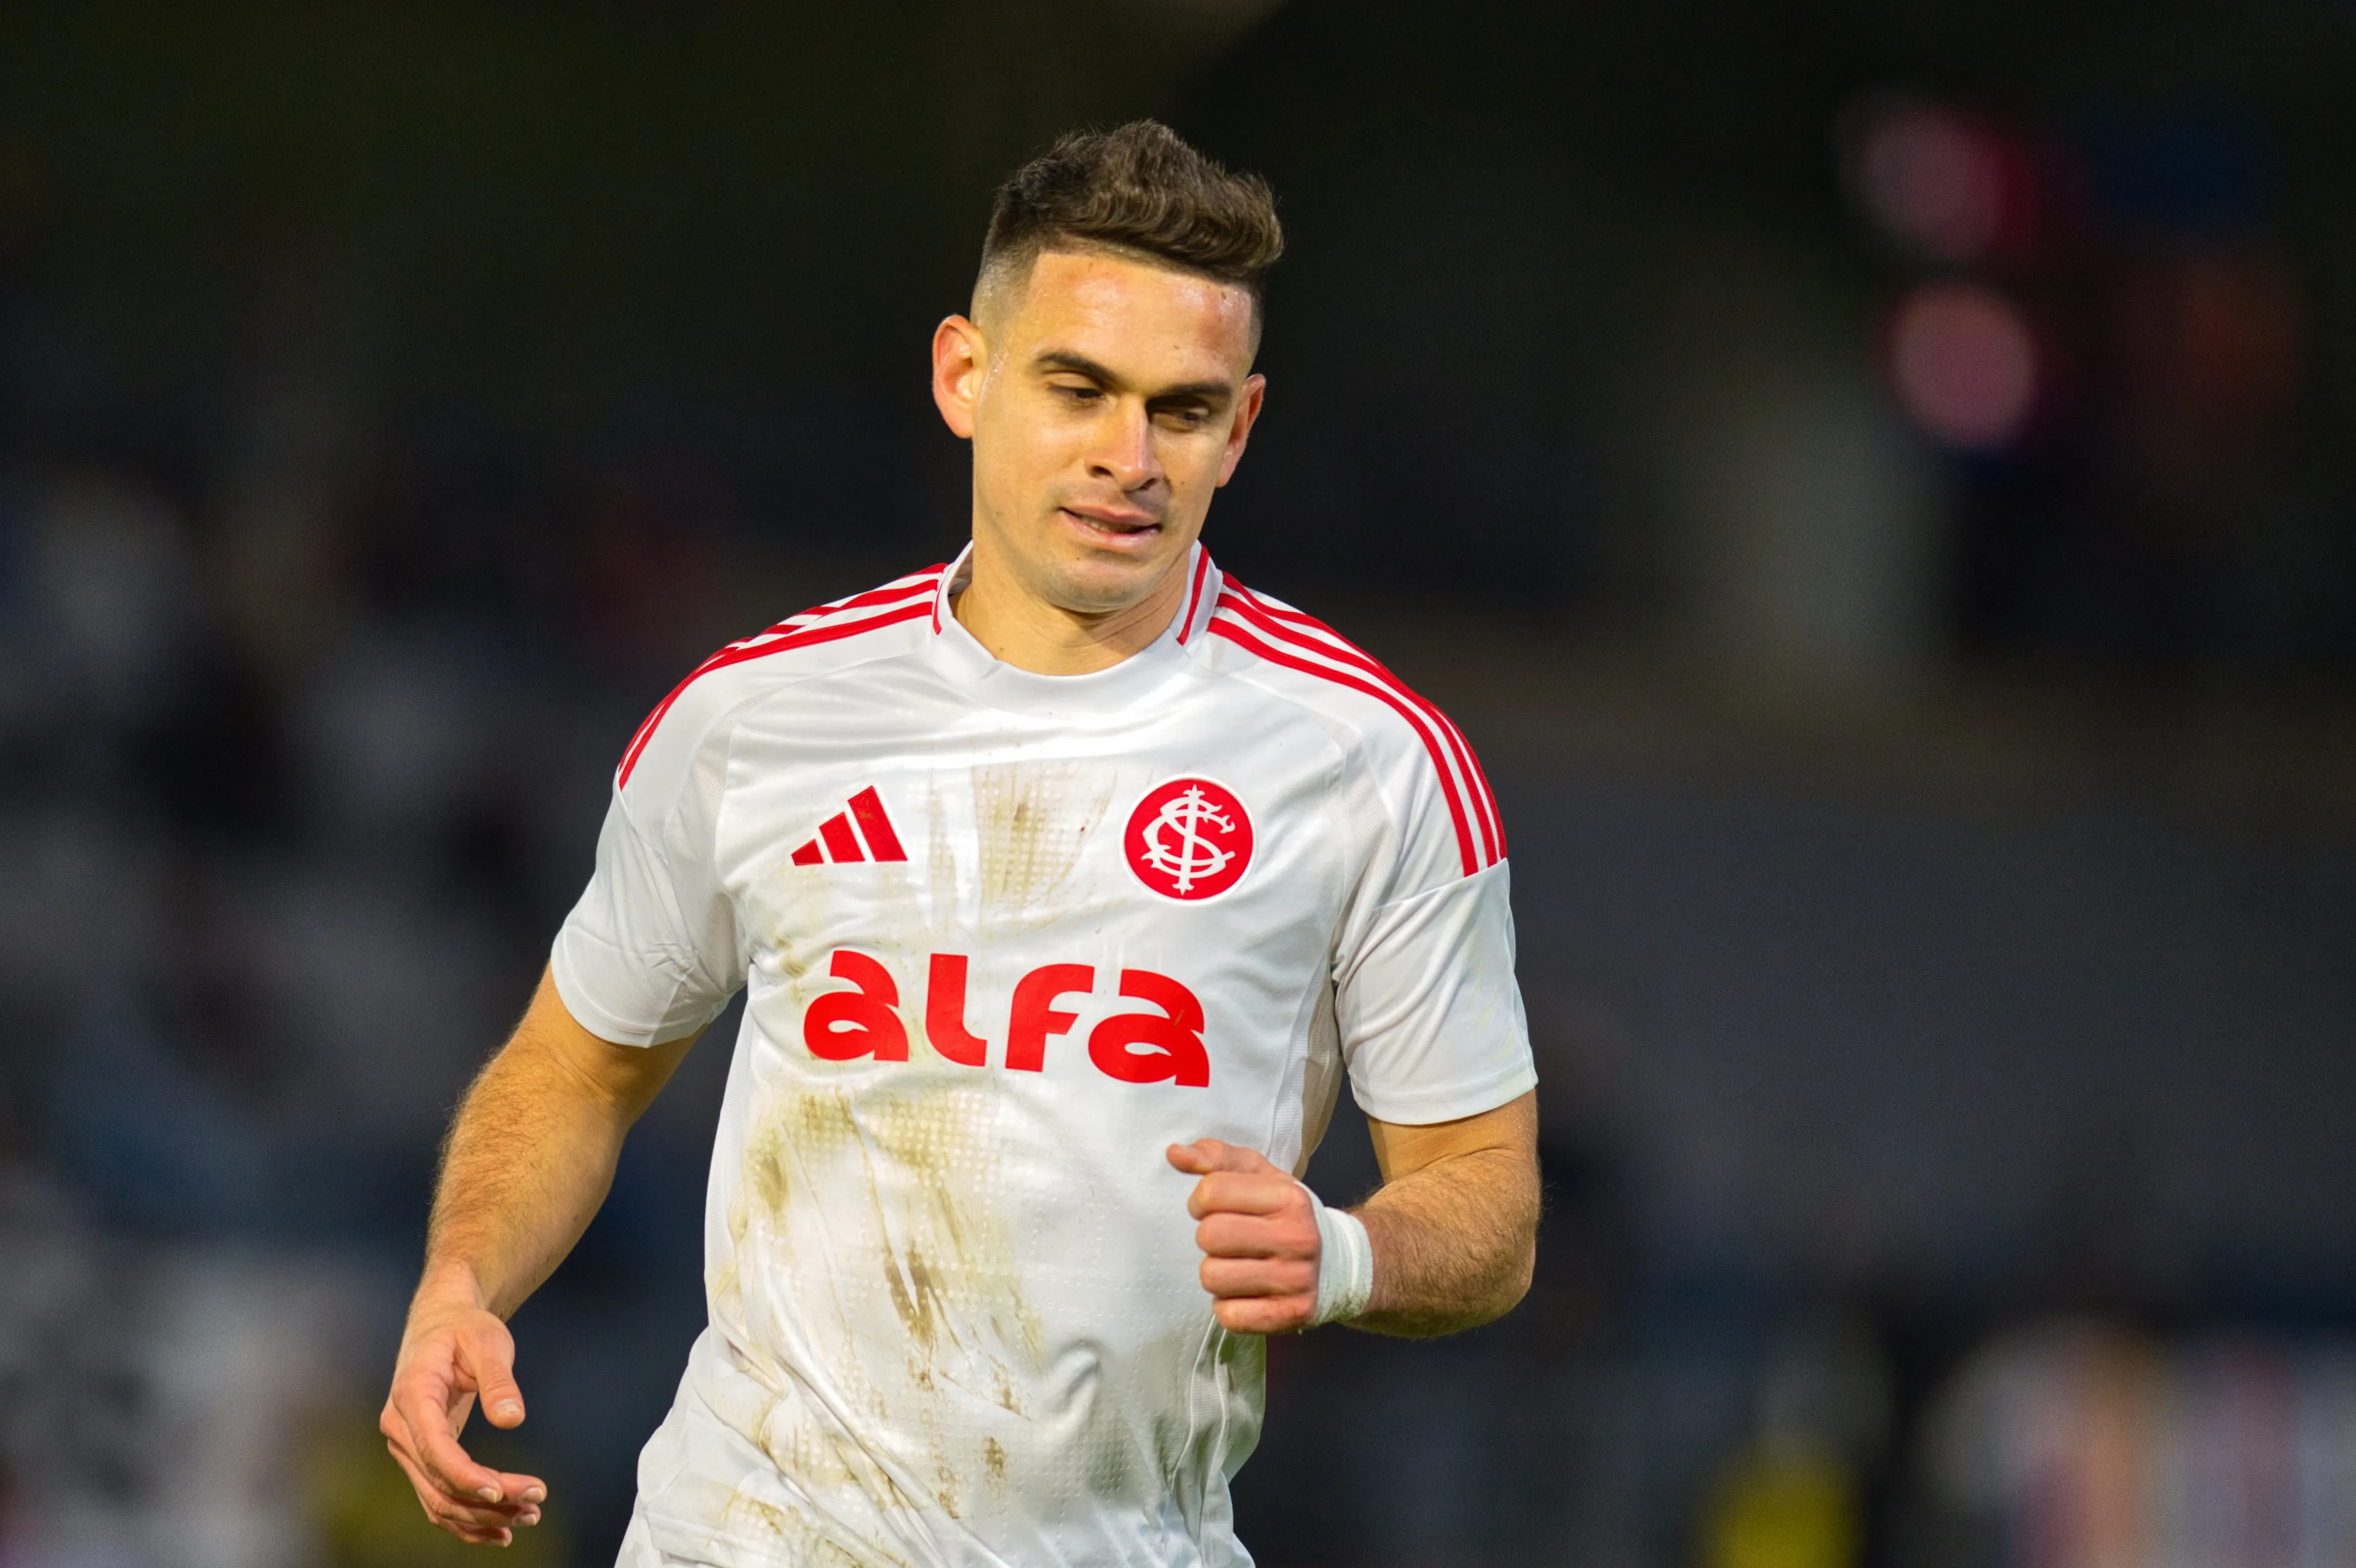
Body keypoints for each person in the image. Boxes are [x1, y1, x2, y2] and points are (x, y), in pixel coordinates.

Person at [380, 120, 1541, 1567]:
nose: (1129, 458)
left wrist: (1352, 1253)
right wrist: (458, 1283)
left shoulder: (1371, 762)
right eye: (1078, 388)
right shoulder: (756, 718)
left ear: (1240, 429)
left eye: (1181, 411)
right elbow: (578, 1063)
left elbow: (1487, 1199)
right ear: (963, 376)